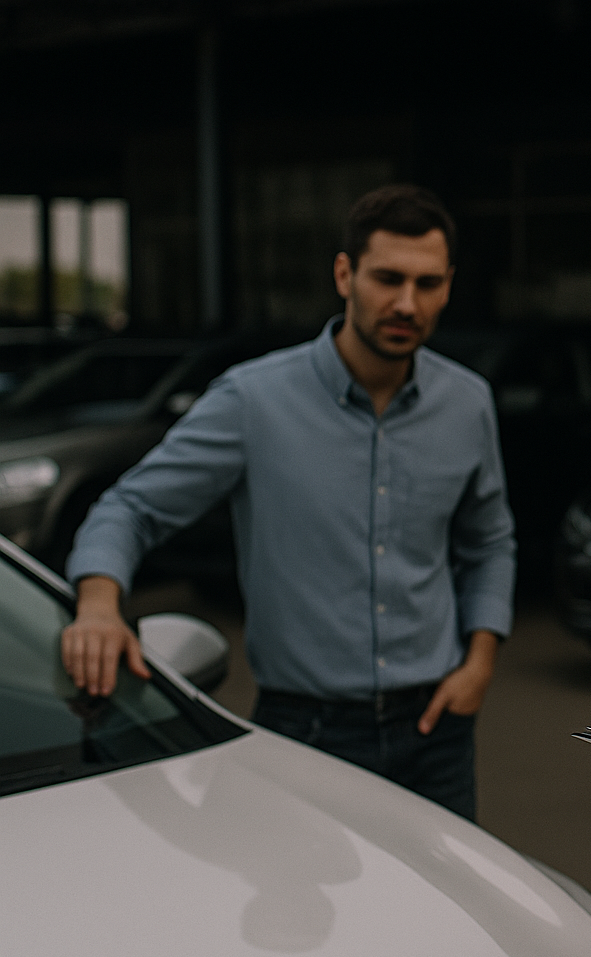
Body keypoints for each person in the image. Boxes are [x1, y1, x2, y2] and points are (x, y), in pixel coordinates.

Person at [60, 184, 514, 823]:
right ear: (343, 274)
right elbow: (129, 508)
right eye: (387, 279)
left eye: (428, 284)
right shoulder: (253, 401)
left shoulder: (467, 403)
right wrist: (99, 606)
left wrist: (481, 660)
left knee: (442, 919)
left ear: (448, 286)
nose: (407, 303)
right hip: (307, 733)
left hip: (436, 732)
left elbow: (489, 539)